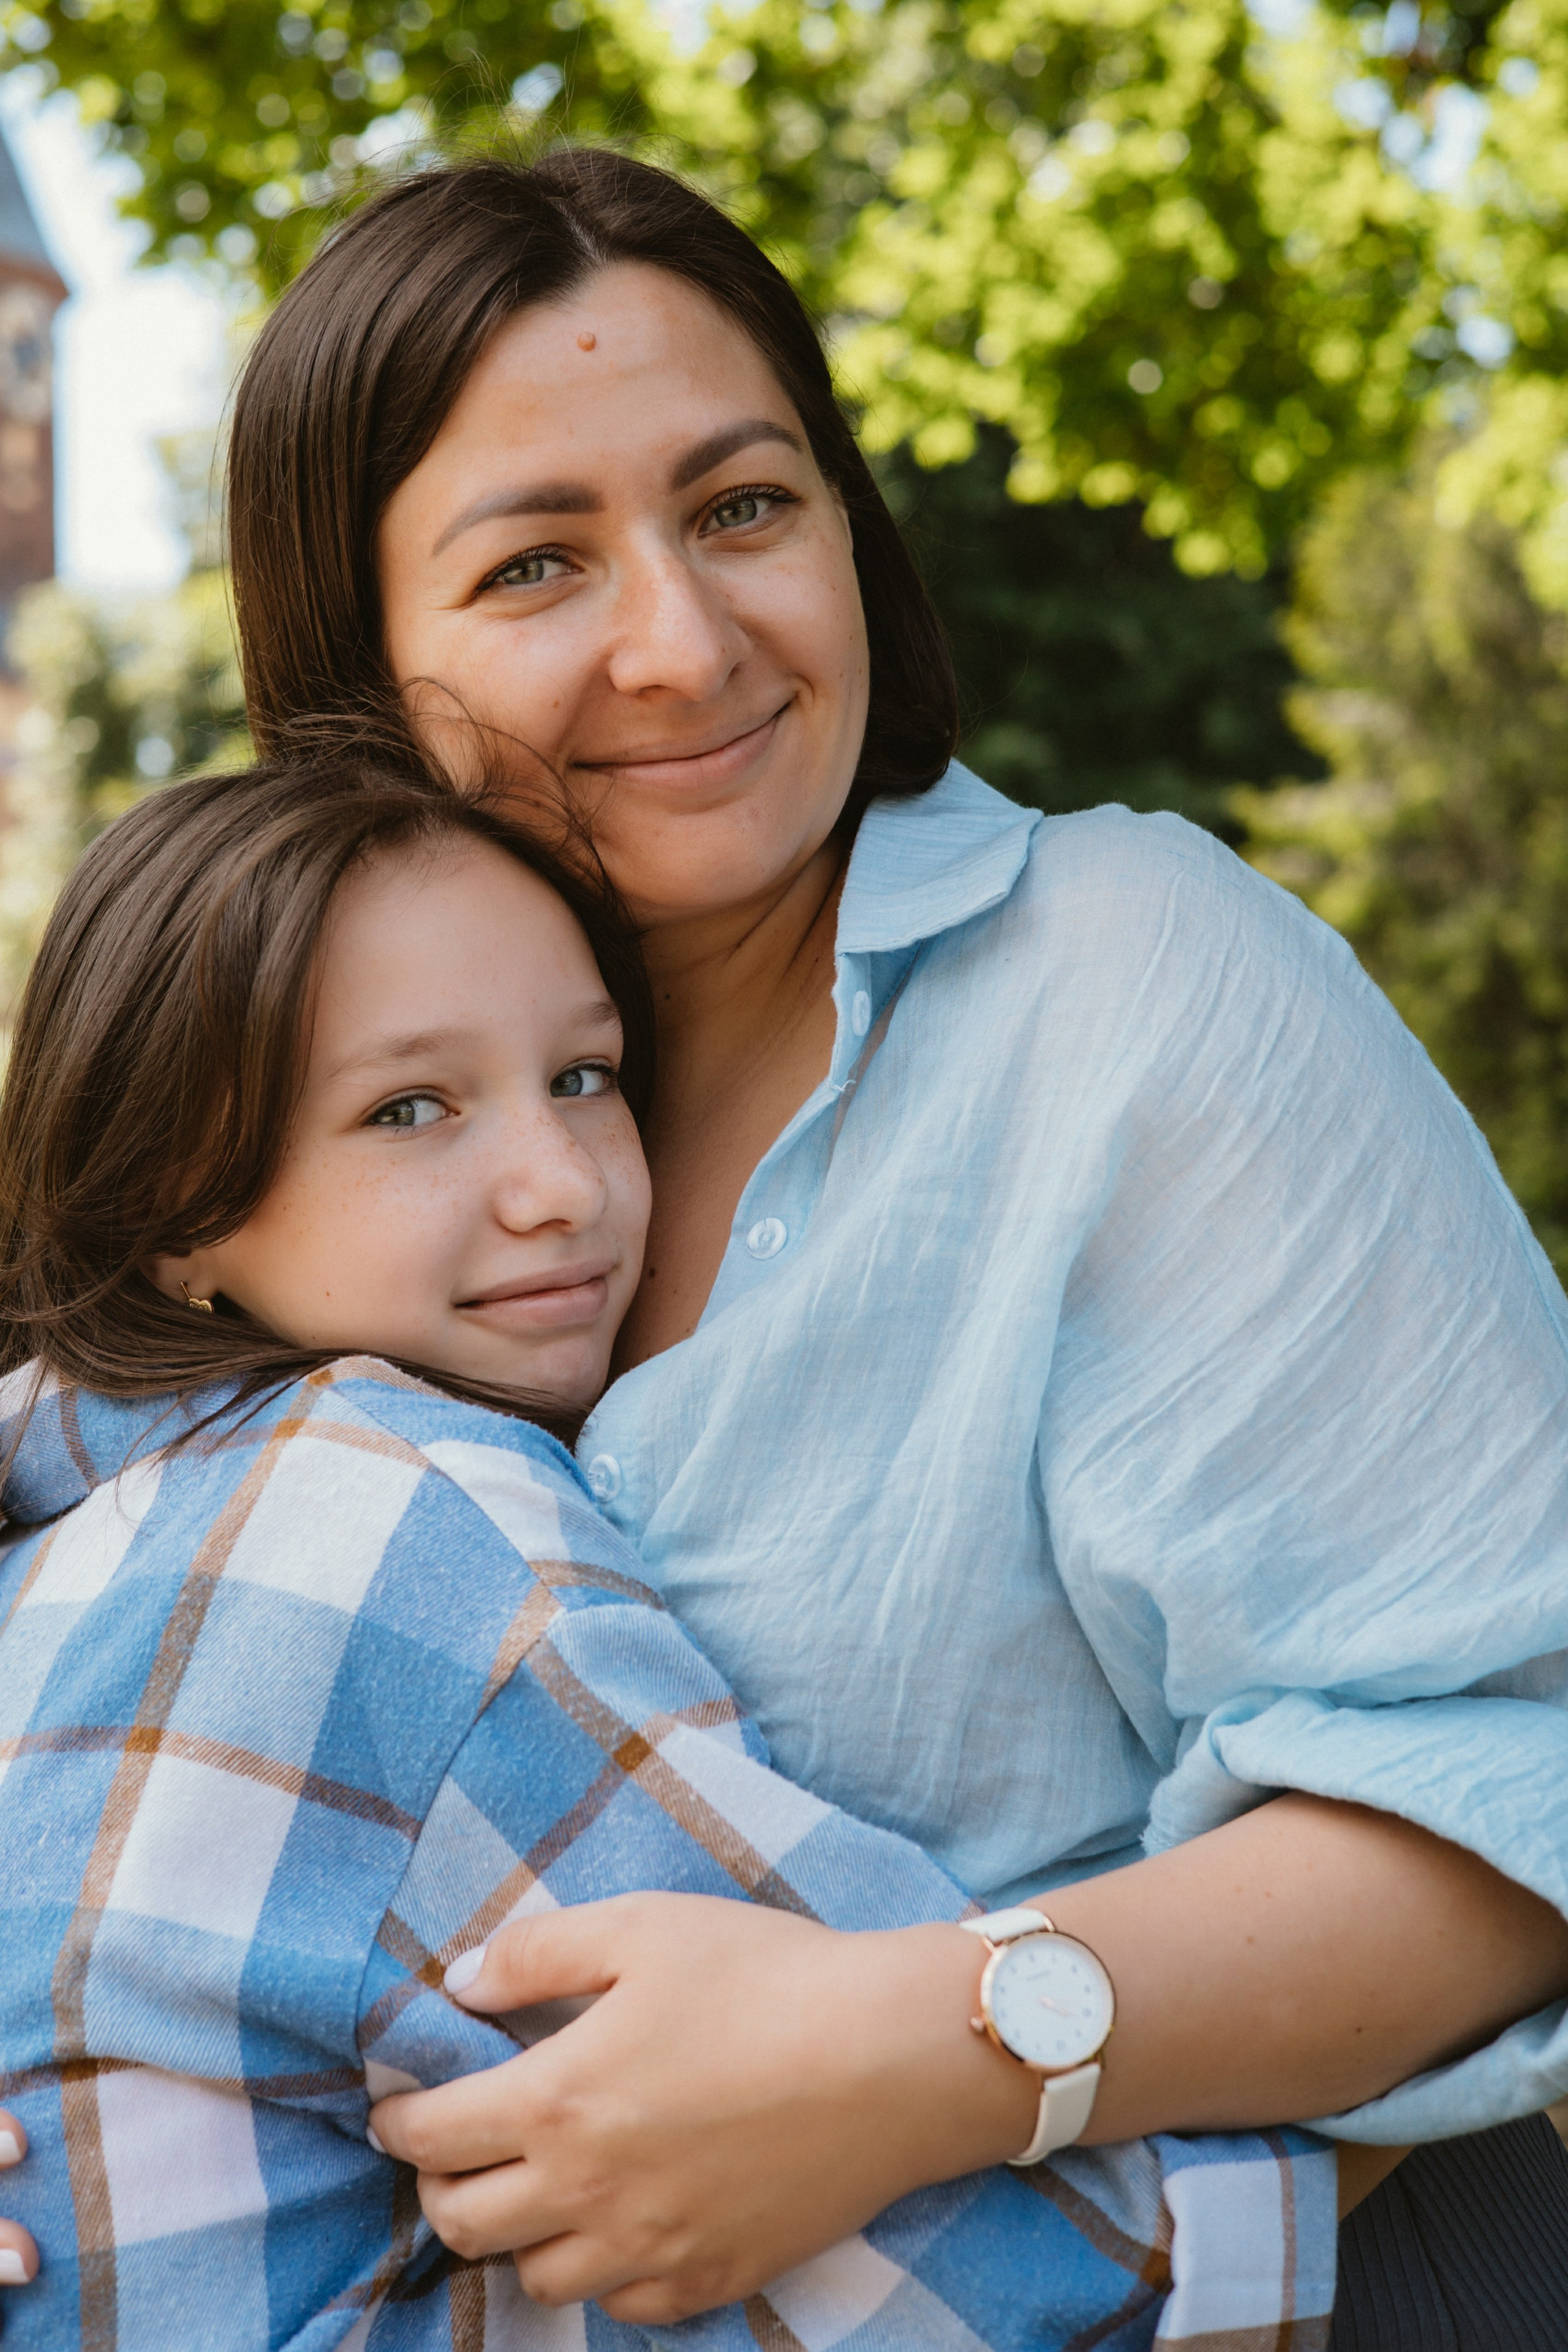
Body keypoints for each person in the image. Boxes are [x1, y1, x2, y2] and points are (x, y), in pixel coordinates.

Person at [200, 142, 1568, 2342]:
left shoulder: (1128, 980)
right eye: (539, 562)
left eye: (744, 505)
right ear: (351, 665)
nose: (686, 638)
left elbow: (1518, 1791)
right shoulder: (260, 1107)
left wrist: (915, 2052)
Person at [0, 752, 1341, 2349]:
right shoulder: (400, 1516)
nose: (562, 1187)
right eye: (409, 1108)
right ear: (174, 1210)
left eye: (585, 1075)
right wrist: (1368, 2118)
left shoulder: (73, 1523)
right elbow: (960, 2257)